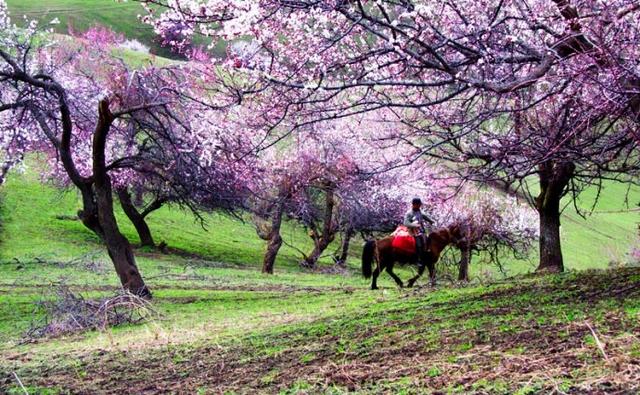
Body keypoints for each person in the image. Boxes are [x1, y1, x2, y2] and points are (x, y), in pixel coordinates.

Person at [403, 198, 435, 262]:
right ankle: (419, 259)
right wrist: (414, 225)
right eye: (418, 204)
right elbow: (406, 223)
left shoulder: (419, 211)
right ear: (414, 204)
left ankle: (426, 256)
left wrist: (431, 221)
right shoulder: (409, 213)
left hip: (421, 230)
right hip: (412, 231)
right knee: (419, 244)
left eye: (420, 204)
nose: (420, 206)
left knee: (428, 240)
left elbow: (425, 216)